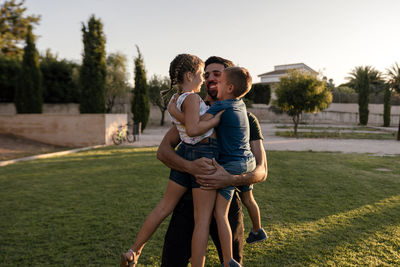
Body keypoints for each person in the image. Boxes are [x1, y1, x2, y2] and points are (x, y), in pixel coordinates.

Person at [157, 56, 268, 267]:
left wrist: (230, 178)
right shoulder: (196, 110)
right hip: (189, 201)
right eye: (206, 75)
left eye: (217, 74)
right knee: (171, 261)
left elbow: (262, 171)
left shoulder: (247, 117)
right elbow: (162, 152)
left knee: (233, 260)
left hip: (226, 201)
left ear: (228, 83)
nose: (210, 79)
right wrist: (191, 167)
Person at [120, 54, 223, 267]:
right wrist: (215, 119)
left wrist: (175, 111)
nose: (204, 79)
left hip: (185, 151)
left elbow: (186, 125)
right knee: (202, 220)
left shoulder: (176, 100)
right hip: (204, 152)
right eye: (201, 74)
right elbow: (194, 127)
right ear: (189, 75)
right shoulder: (193, 98)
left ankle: (134, 250)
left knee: (163, 207)